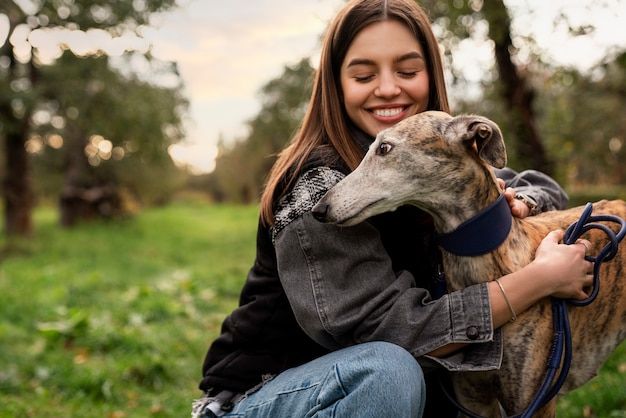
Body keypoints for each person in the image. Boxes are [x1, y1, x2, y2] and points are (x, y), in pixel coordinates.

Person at [193, 1, 592, 417]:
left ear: (430, 74)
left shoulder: (431, 155)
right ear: (336, 83)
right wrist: (541, 279)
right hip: (278, 395)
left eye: (407, 71)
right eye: (364, 75)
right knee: (388, 371)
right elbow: (395, 332)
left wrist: (515, 201)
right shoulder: (317, 186)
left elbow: (537, 183)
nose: (387, 88)